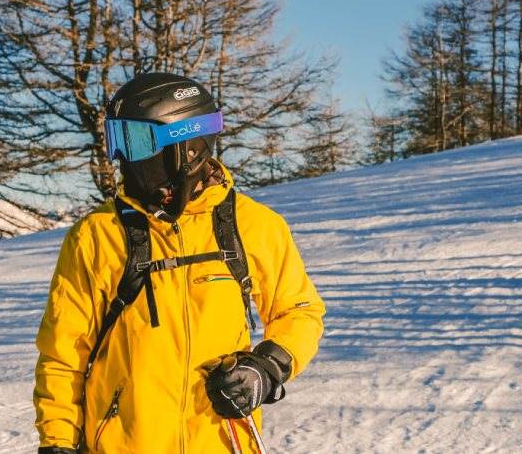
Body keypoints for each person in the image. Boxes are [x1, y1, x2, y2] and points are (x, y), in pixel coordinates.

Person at [34, 73, 325, 453]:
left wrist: (265, 369)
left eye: (136, 142)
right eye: (118, 141)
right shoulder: (96, 236)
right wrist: (57, 443)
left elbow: (300, 311)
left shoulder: (254, 227)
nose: (123, 158)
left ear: (187, 147)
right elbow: (62, 354)